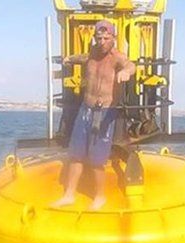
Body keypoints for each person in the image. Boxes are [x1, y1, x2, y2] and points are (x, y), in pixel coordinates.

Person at [52, 19, 136, 210]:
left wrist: (126, 73)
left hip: (104, 112)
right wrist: (68, 58)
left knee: (97, 160)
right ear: (94, 38)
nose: (102, 41)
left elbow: (130, 65)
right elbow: (81, 57)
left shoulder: (118, 57)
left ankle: (99, 197)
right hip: (85, 110)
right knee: (75, 155)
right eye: (99, 38)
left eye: (106, 38)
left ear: (113, 37)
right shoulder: (91, 54)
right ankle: (69, 195)